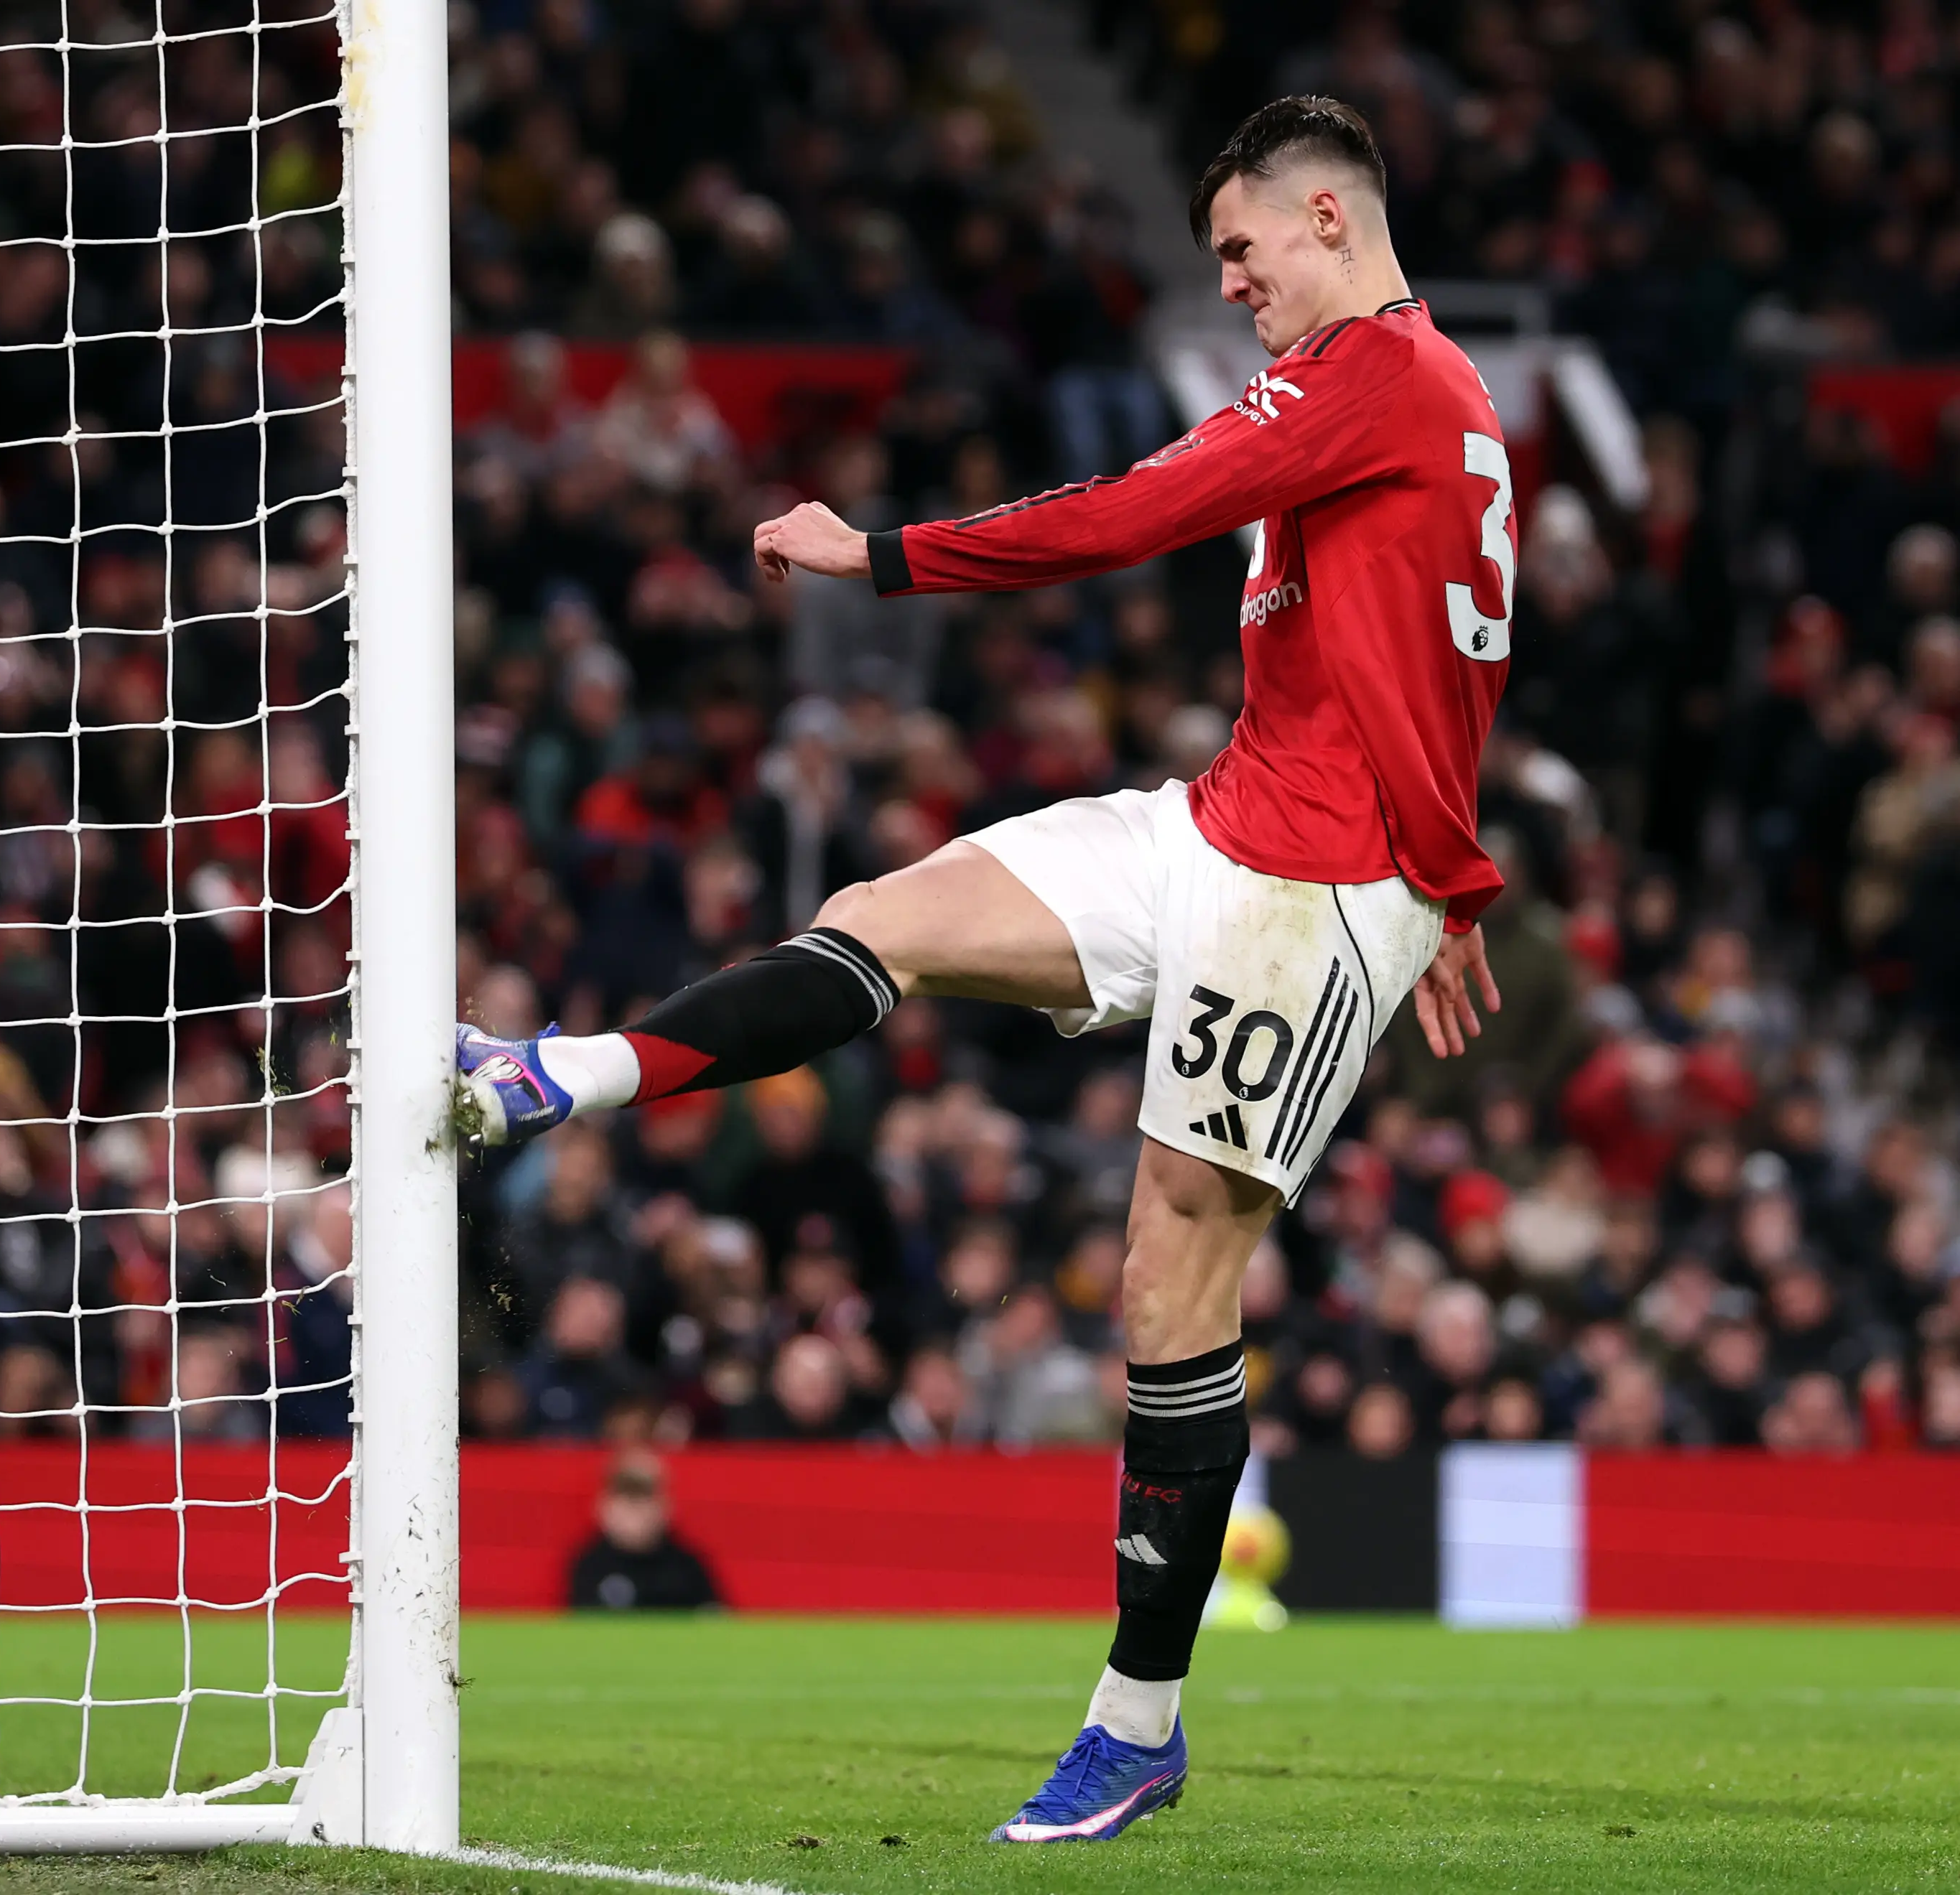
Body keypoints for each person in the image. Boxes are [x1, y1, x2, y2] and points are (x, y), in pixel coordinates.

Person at [458, 96, 1512, 1843]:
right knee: (895, 908)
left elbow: (1129, 516)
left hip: (1315, 889)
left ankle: (1138, 1721)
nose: (1234, 285)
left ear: (1328, 216)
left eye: (1245, 251)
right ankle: (556, 1078)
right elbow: (1445, 656)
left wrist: (872, 556)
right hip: (1226, 825)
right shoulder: (1426, 403)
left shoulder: (1379, 380)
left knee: (1166, 1276)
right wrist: (1462, 881)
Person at [565, 1452, 720, 1611]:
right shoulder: (590, 1565)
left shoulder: (687, 1567)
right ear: (604, 1507)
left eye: (644, 1497)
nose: (634, 1508)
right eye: (625, 1496)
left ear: (665, 1507)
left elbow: (713, 1619)